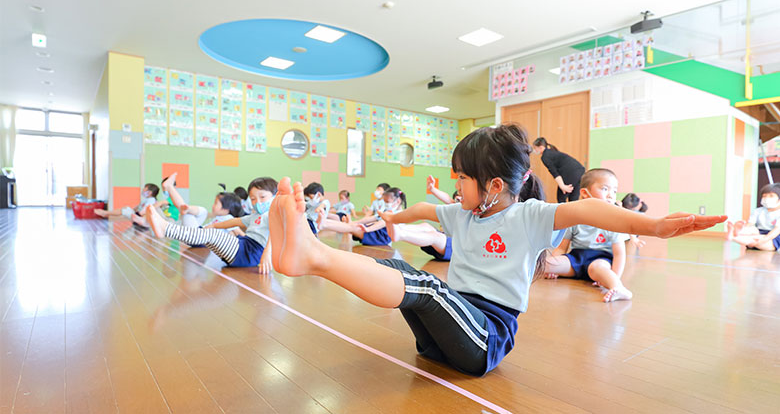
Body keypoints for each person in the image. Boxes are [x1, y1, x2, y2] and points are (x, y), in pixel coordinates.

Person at [267, 124, 725, 376]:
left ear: (494, 186)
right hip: (439, 342)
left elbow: (593, 212)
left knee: (424, 283)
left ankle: (313, 258)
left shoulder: (528, 216)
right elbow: (426, 206)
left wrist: (654, 226)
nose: (455, 185)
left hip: (487, 337)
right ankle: (311, 256)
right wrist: (392, 219)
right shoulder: (463, 214)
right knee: (409, 274)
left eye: (462, 178)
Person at [146, 177, 277, 274]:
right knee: (210, 234)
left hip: (250, 253)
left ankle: (165, 228)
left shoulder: (273, 214)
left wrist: (267, 254)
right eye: (253, 199)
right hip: (243, 248)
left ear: (275, 197)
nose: (257, 202)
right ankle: (164, 228)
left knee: (212, 235)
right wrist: (215, 226)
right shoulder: (255, 216)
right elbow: (235, 221)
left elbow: (274, 233)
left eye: (263, 197)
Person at [543, 169, 633, 302]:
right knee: (546, 264)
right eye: (605, 189)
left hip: (600, 260)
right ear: (585, 193)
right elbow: (562, 248)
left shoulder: (614, 220)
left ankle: (619, 288)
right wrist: (554, 266)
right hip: (576, 259)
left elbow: (619, 254)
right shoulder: (574, 218)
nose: (611, 195)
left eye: (614, 191)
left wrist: (614, 277)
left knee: (597, 268)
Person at [320, 187, 406, 246]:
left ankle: (324, 224)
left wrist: (368, 229)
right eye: (385, 202)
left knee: (352, 228)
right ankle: (324, 223)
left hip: (381, 237)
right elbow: (373, 218)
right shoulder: (387, 211)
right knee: (351, 227)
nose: (386, 204)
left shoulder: (398, 214)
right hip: (376, 230)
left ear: (398, 201)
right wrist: (355, 222)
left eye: (387, 202)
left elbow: (381, 223)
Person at [161, 173, 244, 227]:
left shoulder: (229, 219)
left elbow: (237, 232)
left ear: (226, 210)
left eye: (216, 204)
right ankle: (187, 208)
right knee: (201, 212)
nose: (213, 205)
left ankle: (170, 187)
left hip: (198, 238)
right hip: (199, 234)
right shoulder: (218, 217)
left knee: (194, 212)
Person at [727, 183, 780, 251]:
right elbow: (750, 224)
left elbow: (777, 230)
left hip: (774, 236)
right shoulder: (758, 211)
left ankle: (735, 237)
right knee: (752, 230)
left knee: (755, 240)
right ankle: (737, 232)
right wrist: (746, 229)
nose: (766, 198)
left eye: (771, 196)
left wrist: (764, 239)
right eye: (764, 196)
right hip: (758, 232)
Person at [532, 137, 586, 203]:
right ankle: (573, 213)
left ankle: (563, 213)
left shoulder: (545, 156)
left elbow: (554, 172)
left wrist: (562, 186)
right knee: (573, 199)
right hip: (580, 170)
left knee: (561, 198)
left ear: (540, 147)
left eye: (535, 148)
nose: (534, 150)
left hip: (571, 172)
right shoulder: (552, 152)